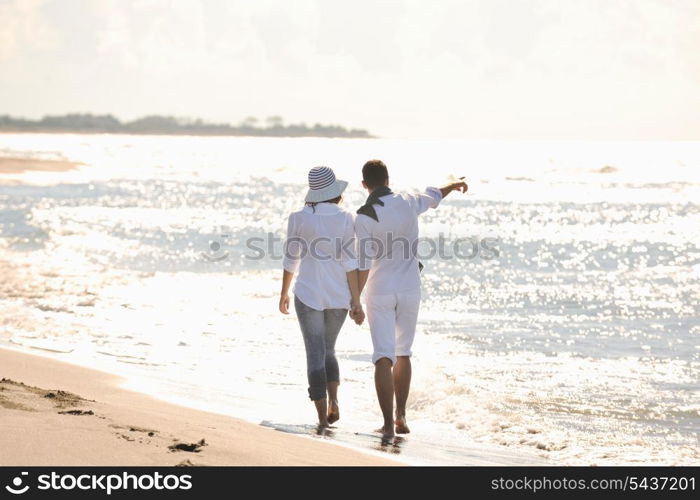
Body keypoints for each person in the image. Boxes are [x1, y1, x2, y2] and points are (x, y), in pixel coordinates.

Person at [355, 159, 468, 438]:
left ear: (364, 185)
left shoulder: (364, 215)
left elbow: (362, 261)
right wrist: (453, 185)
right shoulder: (406, 200)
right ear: (388, 179)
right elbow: (434, 195)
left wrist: (354, 300)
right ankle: (401, 416)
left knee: (383, 356)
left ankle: (387, 425)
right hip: (409, 288)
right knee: (403, 352)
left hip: (380, 289)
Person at [280, 166, 365, 429]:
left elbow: (291, 258)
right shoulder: (346, 218)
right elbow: (351, 262)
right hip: (338, 295)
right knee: (329, 349)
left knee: (314, 353)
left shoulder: (298, 218)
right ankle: (334, 401)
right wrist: (356, 300)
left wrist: (283, 292)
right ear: (334, 192)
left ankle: (320, 418)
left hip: (307, 294)